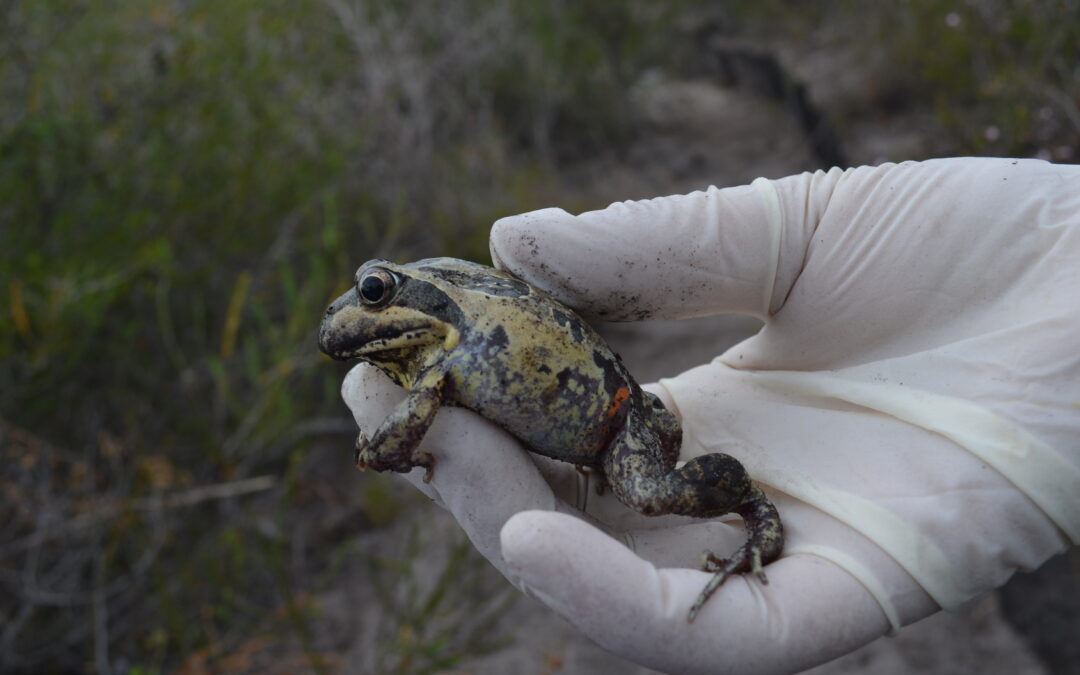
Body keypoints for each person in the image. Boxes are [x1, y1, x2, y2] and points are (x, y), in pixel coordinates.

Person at [341, 157, 1080, 674]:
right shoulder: (436, 359)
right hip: (608, 412)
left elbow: (395, 442)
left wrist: (379, 448)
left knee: (651, 495)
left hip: (621, 423)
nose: (358, 312)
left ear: (410, 295)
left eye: (374, 292)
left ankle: (757, 507)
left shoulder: (440, 362)